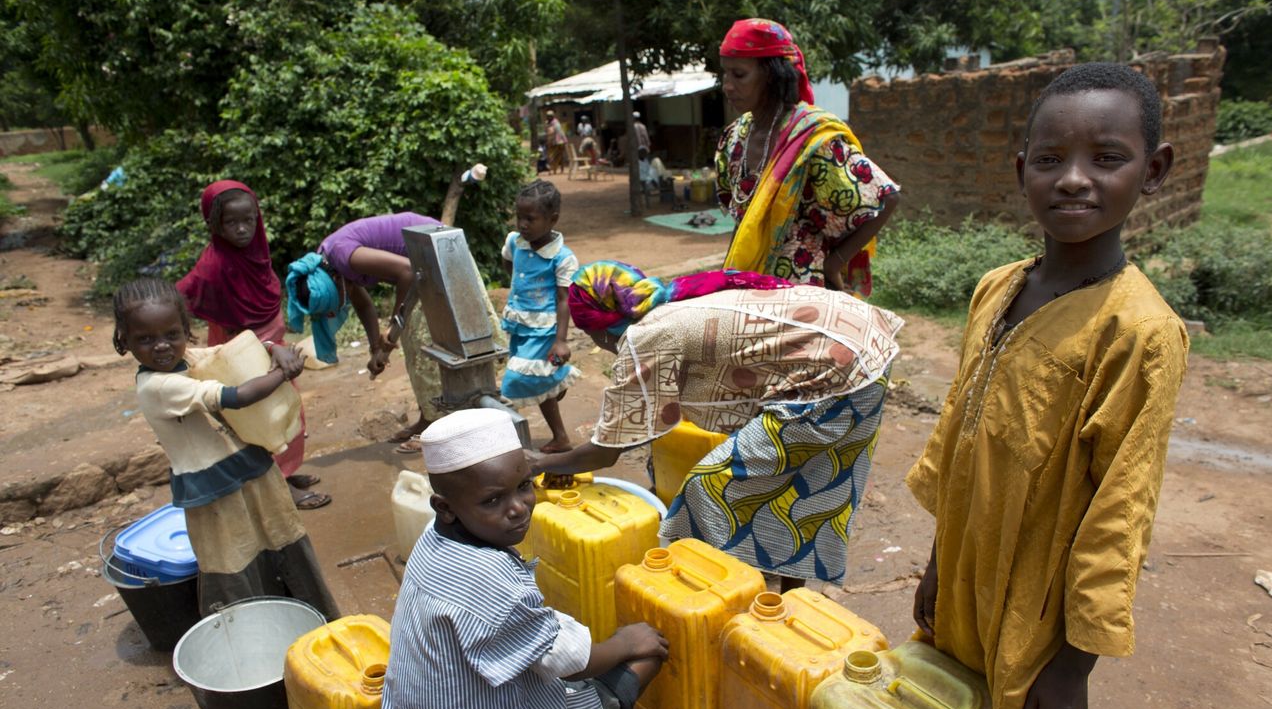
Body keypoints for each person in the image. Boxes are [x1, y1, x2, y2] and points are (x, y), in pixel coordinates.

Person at [908, 63, 1187, 709]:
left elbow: (1119, 511)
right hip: (963, 573)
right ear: (1020, 168)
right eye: (1050, 159)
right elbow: (960, 435)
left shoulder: (1139, 332)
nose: (1073, 179)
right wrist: (938, 559)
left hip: (1039, 614)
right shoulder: (996, 288)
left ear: (1153, 170)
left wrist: (1074, 666)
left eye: (1106, 157)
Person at [532, 261, 902, 589]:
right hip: (864, 343)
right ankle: (789, 597)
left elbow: (607, 451)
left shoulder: (646, 336)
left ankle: (719, 597)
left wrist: (536, 464)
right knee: (806, 481)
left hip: (836, 371)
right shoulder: (673, 302)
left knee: (708, 488)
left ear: (597, 330)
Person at [380, 409, 668, 709]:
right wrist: (626, 641)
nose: (518, 508)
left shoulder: (435, 540)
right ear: (445, 507)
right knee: (645, 654)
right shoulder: (487, 582)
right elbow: (574, 663)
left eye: (523, 486)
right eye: (493, 500)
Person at [114, 277, 340, 619]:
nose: (161, 346)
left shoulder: (185, 356)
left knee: (281, 539)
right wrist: (283, 372)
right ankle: (251, 641)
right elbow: (236, 397)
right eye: (145, 339)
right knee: (234, 561)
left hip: (249, 466)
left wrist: (271, 347)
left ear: (185, 330)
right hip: (213, 491)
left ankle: (309, 619)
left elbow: (227, 351)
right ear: (124, 341)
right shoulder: (158, 387)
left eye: (170, 335)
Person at [285, 213, 506, 454]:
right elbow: (364, 305)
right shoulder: (330, 267)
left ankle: (439, 424)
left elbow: (407, 272)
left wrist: (393, 325)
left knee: (428, 348)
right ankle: (428, 416)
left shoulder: (344, 256)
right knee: (414, 347)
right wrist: (376, 350)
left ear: (336, 283)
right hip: (424, 265)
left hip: (441, 254)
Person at [717, 18, 900, 294]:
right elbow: (744, 221)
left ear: (772, 75)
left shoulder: (813, 140)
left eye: (739, 75)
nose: (727, 86)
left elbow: (886, 198)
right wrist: (726, 277)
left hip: (802, 292)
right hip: (746, 286)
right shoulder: (734, 138)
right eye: (725, 74)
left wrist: (833, 265)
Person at [177, 181, 329, 510]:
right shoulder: (215, 265)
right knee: (261, 419)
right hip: (244, 357)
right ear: (215, 224)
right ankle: (278, 490)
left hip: (272, 347)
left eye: (250, 220)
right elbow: (179, 297)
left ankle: (285, 474)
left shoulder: (254, 252)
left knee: (286, 409)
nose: (243, 229)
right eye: (232, 223)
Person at [500, 180, 581, 452]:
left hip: (545, 328)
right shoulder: (515, 242)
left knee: (516, 378)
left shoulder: (562, 257)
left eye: (530, 219)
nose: (523, 224)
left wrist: (561, 340)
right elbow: (509, 263)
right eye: (519, 217)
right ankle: (560, 436)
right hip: (520, 324)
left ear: (552, 219)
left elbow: (563, 299)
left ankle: (555, 381)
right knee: (540, 379)